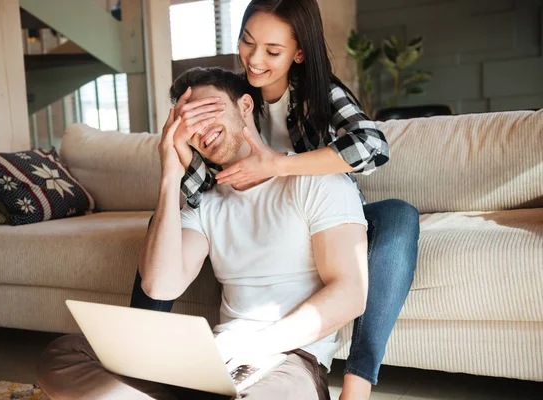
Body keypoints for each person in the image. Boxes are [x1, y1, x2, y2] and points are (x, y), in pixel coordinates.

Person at [131, 1, 420, 399]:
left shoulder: (319, 91)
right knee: (162, 225)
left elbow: (371, 147)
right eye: (247, 42)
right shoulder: (235, 95)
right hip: (258, 208)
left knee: (399, 216)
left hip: (318, 205)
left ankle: (356, 385)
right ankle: (138, 357)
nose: (254, 59)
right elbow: (202, 184)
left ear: (298, 53)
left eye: (272, 51)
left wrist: (278, 166)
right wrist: (175, 168)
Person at [37, 68, 369, 400]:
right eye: (188, 122)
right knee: (64, 354)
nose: (201, 128)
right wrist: (170, 173)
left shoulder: (316, 179)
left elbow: (350, 293)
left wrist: (253, 346)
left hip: (288, 360)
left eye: (208, 111)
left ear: (245, 107)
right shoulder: (205, 204)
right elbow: (159, 285)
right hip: (210, 358)